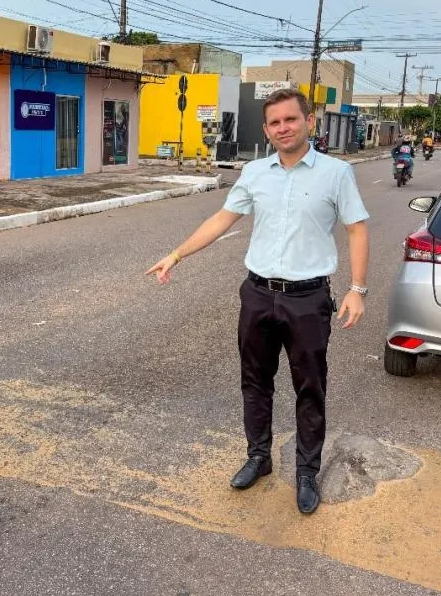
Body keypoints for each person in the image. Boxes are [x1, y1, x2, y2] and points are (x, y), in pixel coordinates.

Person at [146, 89, 369, 515]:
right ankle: (259, 457)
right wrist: (176, 254)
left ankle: (306, 472)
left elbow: (357, 228)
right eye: (275, 123)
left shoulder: (336, 173)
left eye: (291, 119)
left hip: (308, 299)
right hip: (258, 294)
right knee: (254, 382)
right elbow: (222, 219)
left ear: (309, 121)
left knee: (310, 387)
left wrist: (357, 289)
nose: (283, 128)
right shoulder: (254, 173)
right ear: (266, 130)